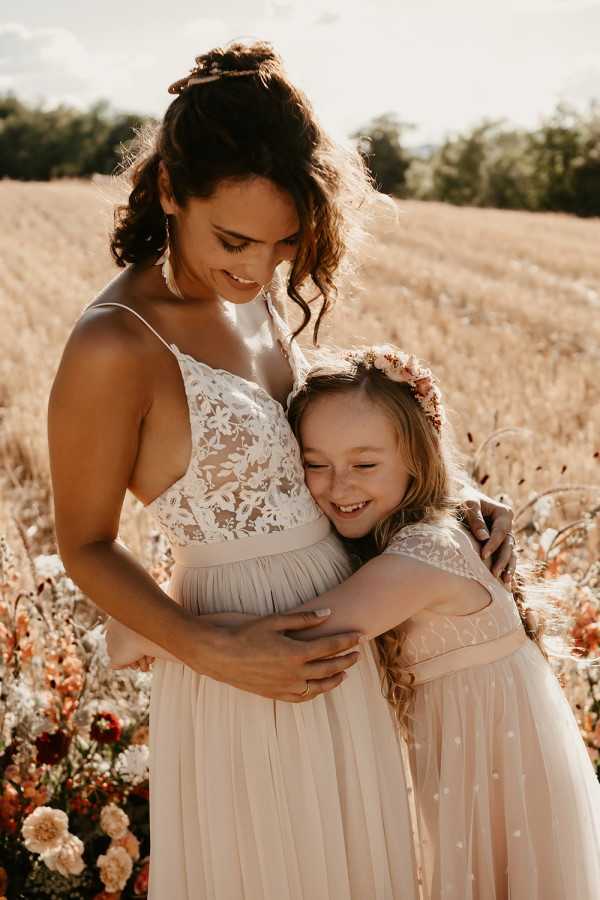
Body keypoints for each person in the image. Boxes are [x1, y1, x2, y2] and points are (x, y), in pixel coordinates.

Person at [47, 42, 516, 899]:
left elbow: (314, 446)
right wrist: (211, 650)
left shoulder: (254, 295)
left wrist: (439, 498)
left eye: (284, 243)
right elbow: (83, 542)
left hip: (338, 648)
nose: (258, 268)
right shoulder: (114, 343)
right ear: (166, 191)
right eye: (233, 239)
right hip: (236, 665)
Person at [285, 345, 600, 899]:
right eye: (315, 464)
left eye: (364, 464)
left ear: (417, 457)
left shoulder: (428, 552)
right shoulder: (415, 533)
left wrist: (156, 628)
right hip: (471, 775)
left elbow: (302, 632)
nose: (339, 486)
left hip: (502, 789)